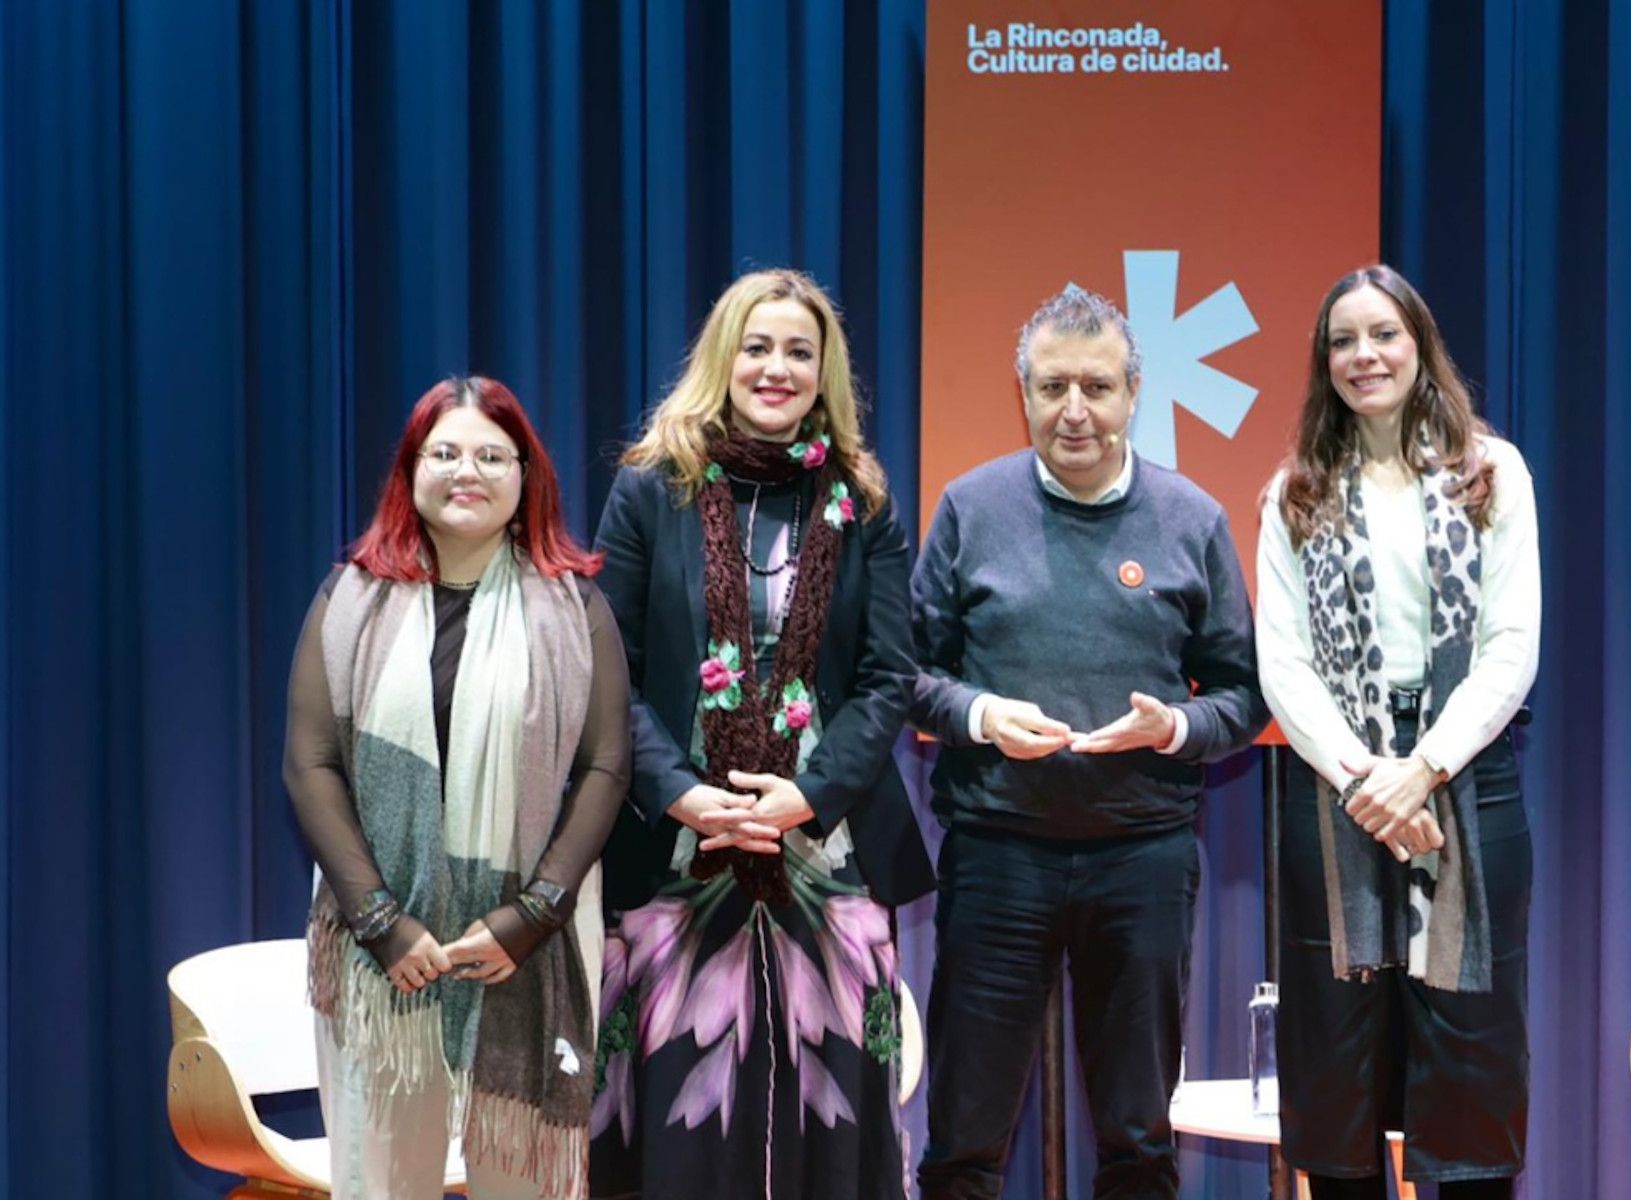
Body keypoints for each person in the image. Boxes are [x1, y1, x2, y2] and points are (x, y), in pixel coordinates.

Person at [911, 286, 1268, 1199]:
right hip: (997, 855)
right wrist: (984, 717)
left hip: (1141, 860)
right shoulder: (968, 507)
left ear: (1134, 393)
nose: (1075, 410)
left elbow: (1243, 692)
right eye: (1052, 386)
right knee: (963, 1137)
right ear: (1023, 394)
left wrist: (1178, 727)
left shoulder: (1191, 519)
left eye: (1097, 387)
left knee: (1140, 1141)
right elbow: (904, 673)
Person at [587, 268, 934, 1200]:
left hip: (826, 849)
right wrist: (687, 794)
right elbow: (606, 669)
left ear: (826, 374)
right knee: (679, 1128)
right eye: (758, 347)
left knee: (836, 1121)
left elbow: (887, 677)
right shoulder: (649, 492)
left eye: (799, 352)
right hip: (676, 854)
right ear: (722, 358)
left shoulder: (862, 500)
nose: (776, 368)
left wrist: (809, 795)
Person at [285, 375, 631, 1200]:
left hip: (526, 947)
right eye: (444, 452)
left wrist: (531, 916)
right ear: (411, 472)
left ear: (525, 477)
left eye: (490, 454)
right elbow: (312, 766)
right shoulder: (348, 603)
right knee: (382, 1184)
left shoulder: (575, 610)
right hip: (384, 956)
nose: (465, 471)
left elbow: (606, 768)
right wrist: (379, 922)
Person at [1255, 265, 1540, 1199]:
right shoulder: (1293, 492)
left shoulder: (1492, 473)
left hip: (1464, 780)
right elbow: (1283, 665)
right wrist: (1364, 778)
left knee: (1470, 1059)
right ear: (1322, 361)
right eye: (1343, 341)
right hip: (1338, 792)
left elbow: (1511, 645)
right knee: (1337, 1066)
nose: (1363, 356)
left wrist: (1421, 770)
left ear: (1421, 347)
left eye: (1383, 335)